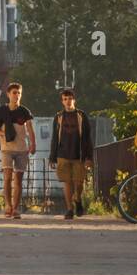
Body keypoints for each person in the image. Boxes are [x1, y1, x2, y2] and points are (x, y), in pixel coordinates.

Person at [0, 82, 35, 219]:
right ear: (8, 94)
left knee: (19, 180)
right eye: (14, 92)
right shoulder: (1, 112)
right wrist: (4, 134)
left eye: (19, 93)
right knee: (8, 177)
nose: (17, 95)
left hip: (22, 149)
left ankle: (16, 208)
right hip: (7, 149)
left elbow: (30, 129)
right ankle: (8, 206)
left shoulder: (24, 111)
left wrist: (33, 144)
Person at [48, 87, 93, 219]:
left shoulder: (81, 116)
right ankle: (69, 209)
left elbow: (87, 137)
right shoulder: (58, 117)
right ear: (62, 101)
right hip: (63, 154)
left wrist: (89, 157)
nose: (68, 101)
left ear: (74, 100)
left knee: (79, 183)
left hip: (79, 155)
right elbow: (55, 138)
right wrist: (52, 157)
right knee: (67, 182)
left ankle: (78, 199)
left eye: (70, 98)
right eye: (65, 99)